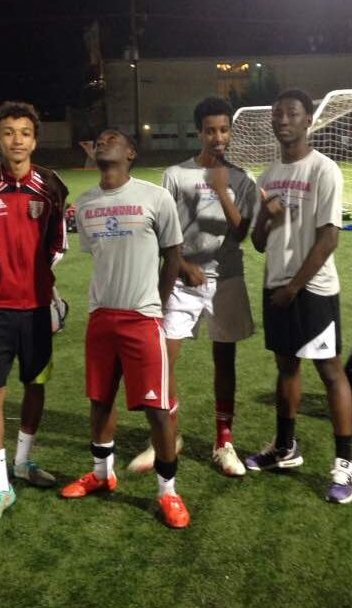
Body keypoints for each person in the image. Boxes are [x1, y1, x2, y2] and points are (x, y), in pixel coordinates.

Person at [61, 128, 190, 528]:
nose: (103, 141)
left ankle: (168, 493)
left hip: (143, 317)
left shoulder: (155, 197)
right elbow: (101, 258)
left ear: (130, 152)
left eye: (113, 138)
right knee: (99, 400)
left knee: (157, 410)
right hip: (101, 316)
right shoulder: (85, 204)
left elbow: (173, 255)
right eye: (98, 138)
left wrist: (160, 304)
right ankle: (102, 475)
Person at [127, 97, 257, 477]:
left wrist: (221, 190)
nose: (219, 137)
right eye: (211, 130)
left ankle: (223, 441)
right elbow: (161, 233)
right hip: (182, 283)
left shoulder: (242, 178)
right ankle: (168, 436)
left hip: (227, 279)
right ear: (199, 132)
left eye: (224, 129)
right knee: (164, 359)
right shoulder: (175, 175)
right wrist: (181, 265)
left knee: (225, 360)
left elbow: (243, 232)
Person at [245, 89, 352, 504]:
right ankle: (284, 447)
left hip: (312, 289)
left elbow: (329, 239)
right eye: (277, 114)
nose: (283, 120)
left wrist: (294, 288)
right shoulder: (268, 175)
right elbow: (258, 242)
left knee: (330, 372)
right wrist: (265, 217)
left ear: (309, 120)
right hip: (276, 286)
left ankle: (345, 464)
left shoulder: (324, 170)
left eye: (292, 113)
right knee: (286, 369)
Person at [0, 101, 68, 527]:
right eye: (8, 132)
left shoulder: (51, 186)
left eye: (24, 132)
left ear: (35, 139)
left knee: (36, 386)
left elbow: (58, 243)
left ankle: (23, 462)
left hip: (35, 310)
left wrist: (42, 284)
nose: (16, 140)